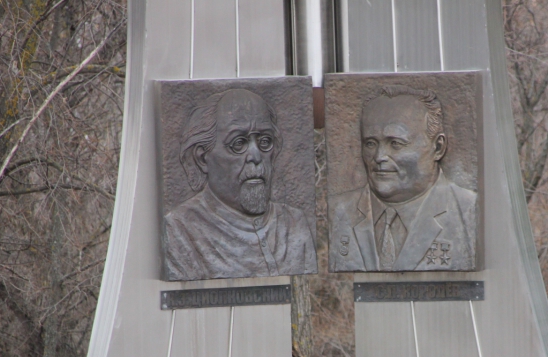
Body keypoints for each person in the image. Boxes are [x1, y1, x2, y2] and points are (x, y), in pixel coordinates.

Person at [163, 88, 317, 280]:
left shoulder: (294, 223)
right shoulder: (178, 231)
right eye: (239, 144)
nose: (255, 156)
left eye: (265, 141)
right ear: (202, 159)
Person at [328, 85, 477, 272]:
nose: (379, 156)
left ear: (438, 148)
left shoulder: (471, 212)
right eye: (371, 143)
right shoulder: (339, 210)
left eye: (395, 143)